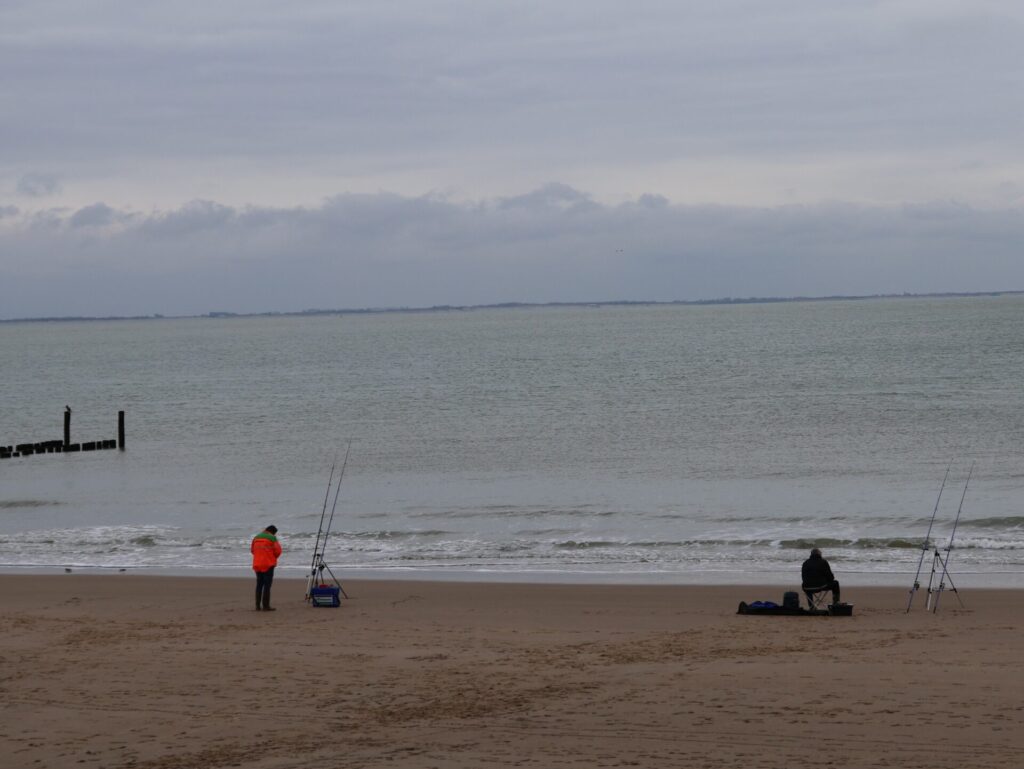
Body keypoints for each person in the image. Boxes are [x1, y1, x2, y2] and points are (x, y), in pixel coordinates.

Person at [251, 525, 282, 611]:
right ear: (273, 532)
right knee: (267, 586)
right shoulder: (272, 538)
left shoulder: (256, 537)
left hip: (257, 564)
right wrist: (272, 557)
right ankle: (266, 606)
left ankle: (257, 606)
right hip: (268, 564)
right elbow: (278, 551)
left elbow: (252, 550)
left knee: (259, 585)